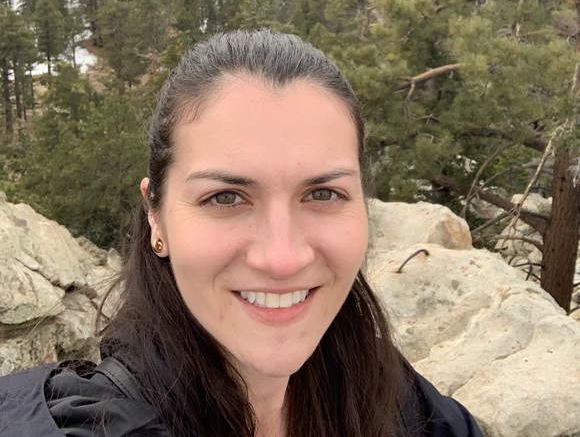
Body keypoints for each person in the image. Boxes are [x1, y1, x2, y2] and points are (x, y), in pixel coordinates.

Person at [0, 30, 483, 436]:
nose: (282, 259)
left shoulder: (392, 399)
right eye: (226, 198)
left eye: (323, 194)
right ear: (156, 217)